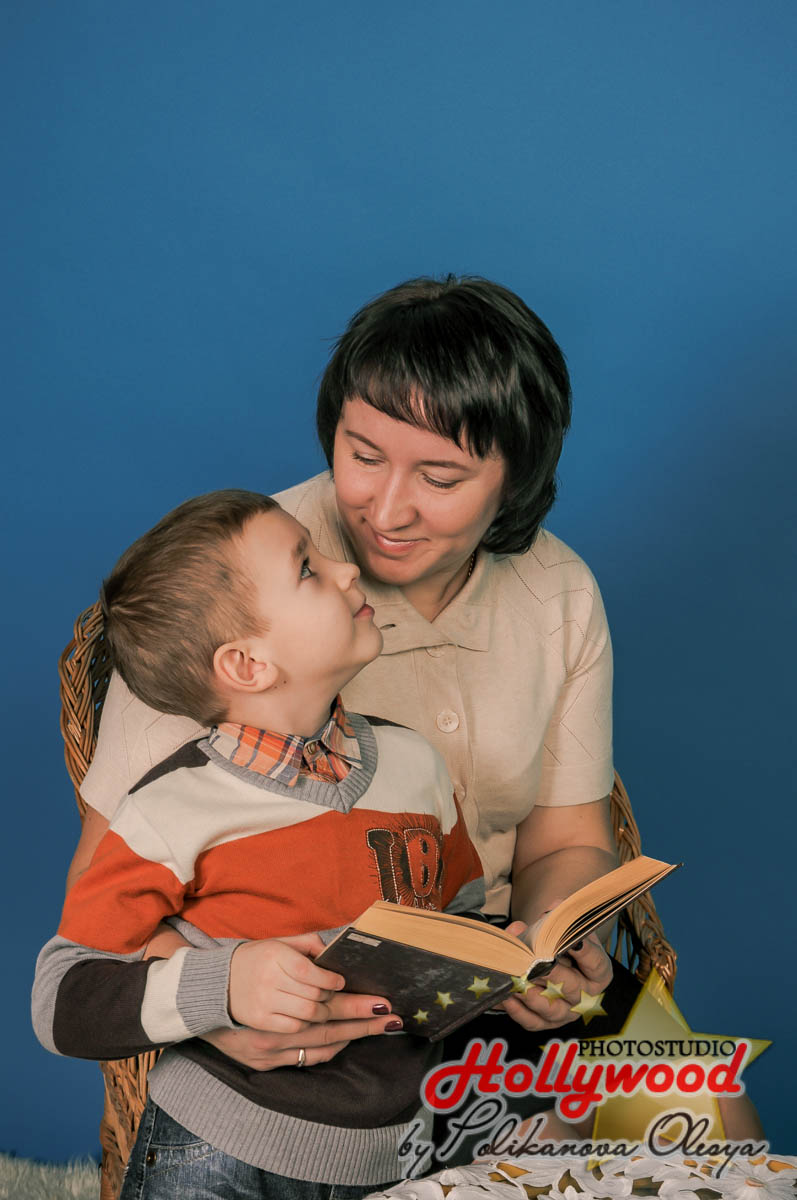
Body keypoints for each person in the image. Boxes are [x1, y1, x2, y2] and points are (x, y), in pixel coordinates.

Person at [69, 276, 622, 1068]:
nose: (385, 512)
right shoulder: (236, 583)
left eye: (439, 479)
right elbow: (106, 902)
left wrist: (547, 945)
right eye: (362, 456)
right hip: (299, 1023)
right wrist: (222, 1001)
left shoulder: (557, 589)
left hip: (479, 987)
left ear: (516, 478)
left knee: (703, 1113)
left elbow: (567, 840)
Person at [33, 489, 487, 1197]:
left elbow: (461, 919)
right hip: (214, 1151)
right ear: (247, 665)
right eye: (307, 567)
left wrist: (530, 964)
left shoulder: (416, 766)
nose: (346, 570)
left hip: (401, 1151)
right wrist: (222, 985)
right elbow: (63, 998)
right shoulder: (168, 808)